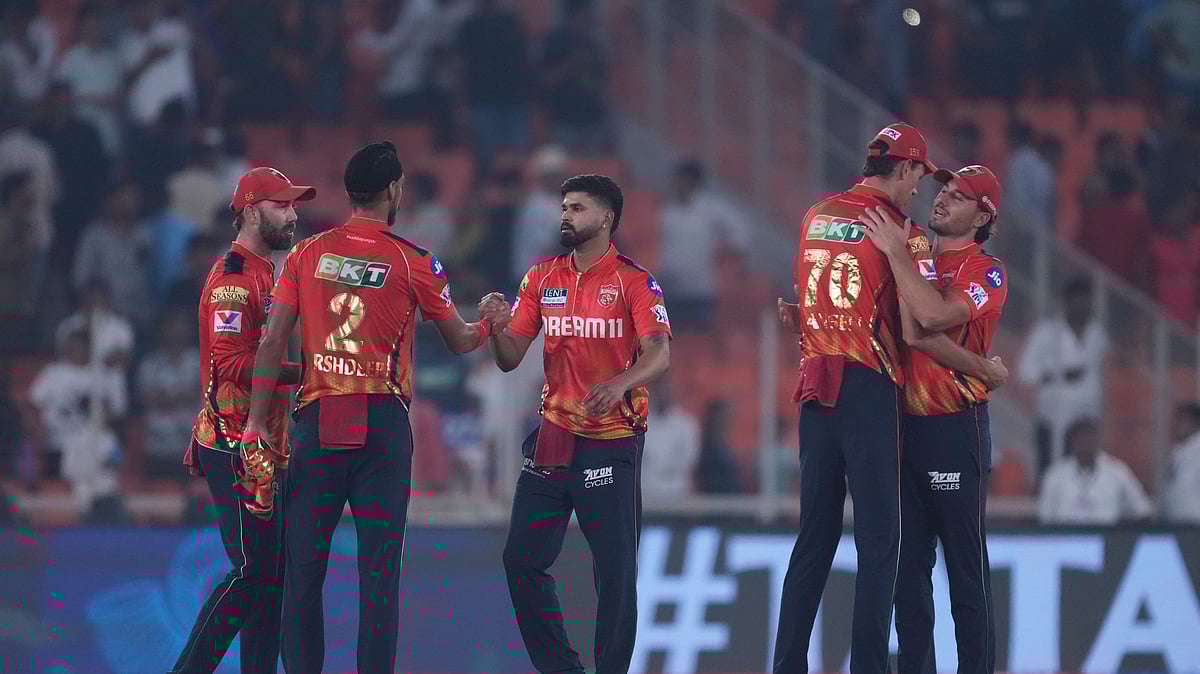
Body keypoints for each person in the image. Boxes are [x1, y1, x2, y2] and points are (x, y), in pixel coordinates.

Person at [240, 141, 496, 674]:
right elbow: (461, 341)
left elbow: (269, 345)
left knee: (302, 572)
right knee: (380, 576)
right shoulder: (415, 260)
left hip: (317, 422)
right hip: (382, 428)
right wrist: (493, 321)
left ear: (349, 193)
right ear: (395, 191)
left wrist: (254, 423)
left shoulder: (306, 254)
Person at [771, 124, 1003, 674]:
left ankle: (787, 666)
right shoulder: (907, 236)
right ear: (905, 170)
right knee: (885, 551)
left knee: (818, 539)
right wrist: (988, 371)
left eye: (955, 194)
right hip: (879, 401)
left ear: (984, 216)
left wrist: (809, 320)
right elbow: (921, 326)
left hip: (829, 394)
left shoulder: (816, 215)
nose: (932, 191)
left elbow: (842, 306)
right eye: (927, 177)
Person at [479, 173, 671, 674]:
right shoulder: (541, 277)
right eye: (564, 207)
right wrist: (499, 327)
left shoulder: (634, 281)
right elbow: (509, 357)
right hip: (553, 436)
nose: (565, 215)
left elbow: (659, 354)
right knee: (520, 559)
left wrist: (621, 382)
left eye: (578, 208)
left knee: (614, 571)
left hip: (611, 442)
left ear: (606, 218)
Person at [861, 164, 1009, 674]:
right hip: (904, 428)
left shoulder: (985, 271)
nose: (943, 198)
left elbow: (930, 320)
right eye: (944, 188)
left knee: (965, 570)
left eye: (960, 196)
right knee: (909, 574)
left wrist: (899, 256)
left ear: (983, 215)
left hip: (954, 426)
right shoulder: (917, 252)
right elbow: (897, 327)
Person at [171, 166, 314, 674]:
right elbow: (229, 363)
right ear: (252, 211)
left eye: (294, 206)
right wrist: (306, 370)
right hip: (234, 443)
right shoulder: (234, 279)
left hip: (261, 444)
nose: (293, 215)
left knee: (271, 577)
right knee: (252, 572)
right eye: (283, 206)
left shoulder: (265, 269)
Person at [1037, 418, 1154, 525]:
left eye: (1090, 438)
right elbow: (1045, 517)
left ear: (1098, 439)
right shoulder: (1055, 474)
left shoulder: (1117, 471)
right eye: (1081, 439)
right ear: (1072, 441)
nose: (1086, 444)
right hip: (1066, 541)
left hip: (1107, 540)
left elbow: (1142, 510)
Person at [1164, 401, 1200, 524]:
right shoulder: (1180, 450)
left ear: (1194, 422)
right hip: (1177, 525)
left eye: (1180, 420)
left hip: (1195, 523)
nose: (1174, 425)